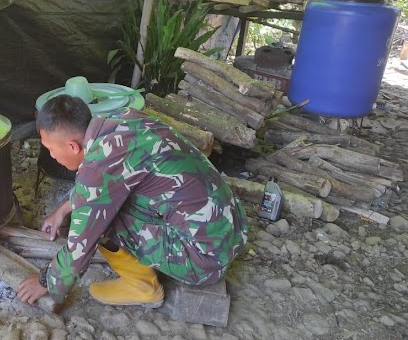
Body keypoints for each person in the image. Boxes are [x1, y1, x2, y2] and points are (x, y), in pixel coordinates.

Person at [17, 94, 248, 307]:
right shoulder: (123, 120)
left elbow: (80, 246)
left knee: (101, 220)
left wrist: (45, 281)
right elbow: (95, 187)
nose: (52, 156)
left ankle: (142, 287)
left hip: (204, 261)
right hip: (232, 229)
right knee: (102, 205)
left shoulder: (98, 166)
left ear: (72, 146)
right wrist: (62, 210)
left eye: (50, 149)